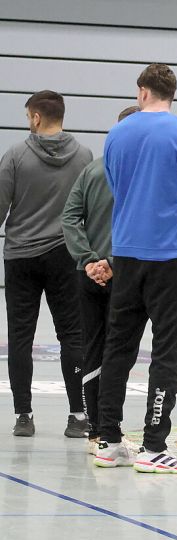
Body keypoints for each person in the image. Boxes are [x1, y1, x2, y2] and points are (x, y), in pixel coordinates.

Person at [93, 63, 177, 474]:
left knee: (119, 346)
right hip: (168, 256)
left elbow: (113, 183)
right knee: (167, 351)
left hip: (126, 253)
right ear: (171, 94)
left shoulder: (117, 133)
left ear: (142, 92)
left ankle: (107, 439)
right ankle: (154, 445)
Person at [0, 90, 91, 438]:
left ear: (36, 118)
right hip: (66, 256)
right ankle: (78, 416)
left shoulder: (16, 155)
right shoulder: (83, 156)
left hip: (21, 255)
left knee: (20, 337)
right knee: (73, 334)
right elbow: (89, 208)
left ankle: (24, 416)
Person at [62, 105, 141, 454]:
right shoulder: (142, 175)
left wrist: (89, 260)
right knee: (119, 351)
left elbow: (69, 217)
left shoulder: (91, 170)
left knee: (94, 347)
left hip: (89, 275)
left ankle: (96, 428)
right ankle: (111, 428)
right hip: (127, 273)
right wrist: (106, 261)